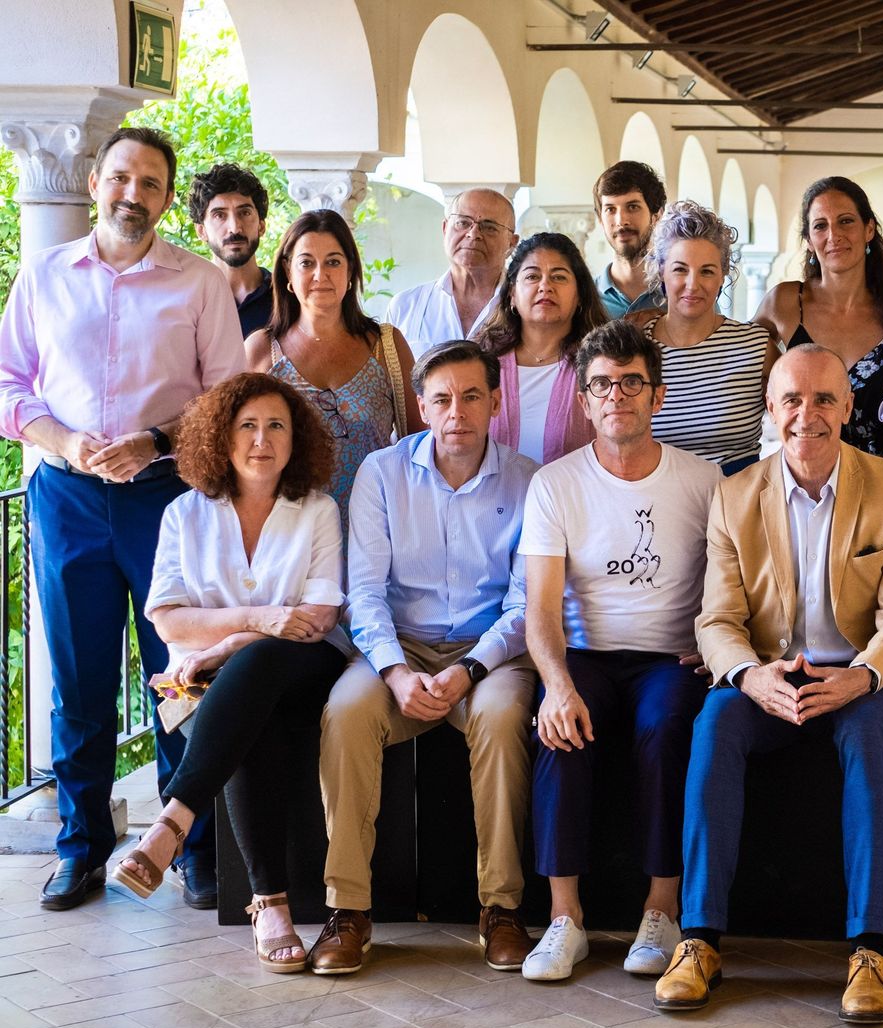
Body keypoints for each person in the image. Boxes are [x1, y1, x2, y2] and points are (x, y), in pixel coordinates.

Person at [0, 127, 247, 912]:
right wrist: (65, 441)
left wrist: (153, 440)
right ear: (97, 181)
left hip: (166, 498)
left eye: (149, 183)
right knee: (77, 680)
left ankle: (191, 846)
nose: (130, 194)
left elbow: (225, 396)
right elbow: (9, 385)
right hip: (67, 497)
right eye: (119, 178)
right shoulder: (44, 276)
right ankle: (82, 849)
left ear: (168, 198)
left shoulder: (199, 283)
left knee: (179, 672)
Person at [653, 346, 883, 1023]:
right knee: (714, 725)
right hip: (771, 672)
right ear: (771, 412)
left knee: (867, 734)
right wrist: (750, 676)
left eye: (825, 399)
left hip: (864, 673)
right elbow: (715, 620)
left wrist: (861, 675)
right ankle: (700, 941)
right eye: (792, 401)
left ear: (848, 407)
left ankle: (870, 950)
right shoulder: (733, 494)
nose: (809, 414)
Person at [311, 340, 539, 976]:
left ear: (496, 401)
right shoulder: (382, 473)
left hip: (488, 651)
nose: (456, 413)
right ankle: (348, 910)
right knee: (348, 710)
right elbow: (365, 592)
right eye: (441, 398)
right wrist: (394, 670)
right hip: (400, 646)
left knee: (498, 720)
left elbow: (524, 605)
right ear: (421, 405)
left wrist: (470, 669)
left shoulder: (528, 479)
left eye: (472, 396)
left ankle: (501, 908)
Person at [111, 373, 347, 972]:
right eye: (247, 426)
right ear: (222, 435)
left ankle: (174, 819)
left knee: (262, 660)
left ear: (296, 439)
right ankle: (270, 907)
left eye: (276, 426)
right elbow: (166, 620)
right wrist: (262, 619)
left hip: (306, 666)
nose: (261, 440)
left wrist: (230, 642)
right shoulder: (184, 513)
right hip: (220, 688)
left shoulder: (316, 508)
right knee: (254, 718)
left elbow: (317, 618)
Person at [518, 320, 722, 981]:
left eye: (632, 382)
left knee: (665, 728)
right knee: (562, 728)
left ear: (657, 396)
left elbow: (731, 583)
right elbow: (541, 609)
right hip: (586, 652)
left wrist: (714, 645)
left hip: (671, 657)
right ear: (584, 399)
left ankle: (660, 910)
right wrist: (555, 683)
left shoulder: (704, 480)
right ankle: (564, 919)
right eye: (602, 384)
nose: (617, 396)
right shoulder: (554, 484)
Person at [247, 210, 422, 518]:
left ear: (350, 269)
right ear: (288, 272)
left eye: (333, 261)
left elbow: (419, 447)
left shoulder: (387, 346)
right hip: (291, 535)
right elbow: (241, 450)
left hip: (376, 529)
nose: (320, 274)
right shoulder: (262, 350)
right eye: (306, 263)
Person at [754, 176, 883, 462]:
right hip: (806, 477)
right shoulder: (786, 303)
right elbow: (739, 350)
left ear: (869, 229)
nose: (833, 235)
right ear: (809, 241)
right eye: (820, 226)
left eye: (846, 221)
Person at [627, 200, 778, 473]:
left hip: (737, 505)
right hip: (656, 507)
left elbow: (796, 418)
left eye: (707, 271)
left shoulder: (755, 346)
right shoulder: (634, 348)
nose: (692, 284)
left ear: (722, 276)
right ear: (662, 271)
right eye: (680, 269)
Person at [474, 233, 607, 463]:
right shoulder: (480, 363)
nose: (545, 286)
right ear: (512, 294)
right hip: (489, 498)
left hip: (574, 498)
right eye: (533, 276)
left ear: (580, 296)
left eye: (559, 277)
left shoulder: (602, 365)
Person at [384, 188, 519, 351]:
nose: (473, 234)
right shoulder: (405, 306)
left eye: (489, 227)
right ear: (445, 228)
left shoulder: (524, 307)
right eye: (463, 223)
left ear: (512, 242)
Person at [188, 163, 273, 337]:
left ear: (261, 226)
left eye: (245, 213)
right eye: (219, 215)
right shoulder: (187, 300)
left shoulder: (288, 298)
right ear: (201, 231)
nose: (235, 228)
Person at [593, 161, 668, 319]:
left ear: (657, 215)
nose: (621, 220)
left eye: (632, 207)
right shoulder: (584, 299)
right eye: (610, 209)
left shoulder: (685, 294)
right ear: (600, 219)